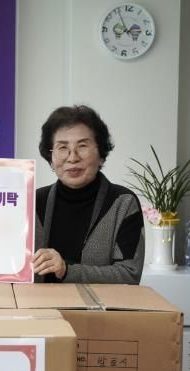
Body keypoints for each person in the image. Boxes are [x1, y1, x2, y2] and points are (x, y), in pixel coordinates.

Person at [33, 105, 144, 284]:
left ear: (101, 155)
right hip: (38, 302)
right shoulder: (34, 201)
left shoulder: (122, 203)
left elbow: (129, 274)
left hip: (99, 303)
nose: (72, 158)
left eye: (82, 146)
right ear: (51, 158)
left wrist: (67, 270)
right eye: (62, 147)